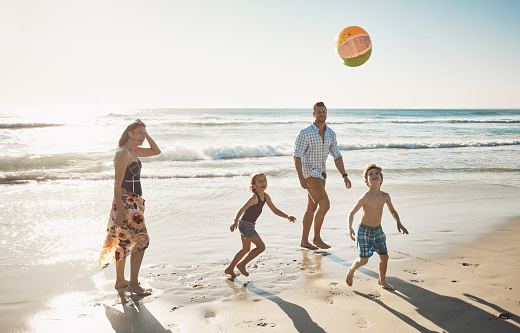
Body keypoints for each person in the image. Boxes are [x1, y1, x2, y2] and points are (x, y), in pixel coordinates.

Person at [99, 119, 161, 296]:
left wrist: (146, 133)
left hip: (135, 202)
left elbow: (157, 151)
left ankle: (120, 281)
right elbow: (116, 185)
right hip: (125, 202)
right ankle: (133, 283)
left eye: (144, 133)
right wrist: (120, 211)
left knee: (124, 241)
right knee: (142, 241)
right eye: (139, 133)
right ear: (130, 134)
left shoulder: (135, 151)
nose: (142, 136)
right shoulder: (123, 154)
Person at [294, 101, 351, 250]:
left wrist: (344, 175)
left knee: (311, 208)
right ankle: (317, 239)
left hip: (321, 174)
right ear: (313, 114)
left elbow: (336, 155)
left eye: (324, 112)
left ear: (326, 113)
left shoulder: (331, 133)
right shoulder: (305, 133)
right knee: (325, 205)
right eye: (318, 112)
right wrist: (301, 177)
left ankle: (304, 241)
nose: (321, 114)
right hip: (309, 173)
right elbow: (297, 156)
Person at [346, 164, 409, 290]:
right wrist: (350, 227)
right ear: (366, 181)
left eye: (377, 173)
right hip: (364, 231)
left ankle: (382, 280)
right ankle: (351, 270)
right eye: (370, 174)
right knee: (364, 260)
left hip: (378, 230)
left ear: (381, 179)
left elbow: (392, 211)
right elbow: (352, 213)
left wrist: (398, 222)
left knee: (384, 257)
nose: (374, 175)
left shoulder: (385, 196)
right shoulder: (365, 197)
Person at [225, 172, 296, 278]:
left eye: (265, 180)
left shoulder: (266, 196)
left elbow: (275, 210)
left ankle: (230, 268)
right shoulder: (254, 197)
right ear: (254, 185)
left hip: (248, 225)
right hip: (245, 225)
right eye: (260, 181)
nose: (263, 182)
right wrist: (234, 221)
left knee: (245, 249)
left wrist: (287, 216)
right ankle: (241, 264)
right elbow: (242, 209)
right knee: (261, 247)